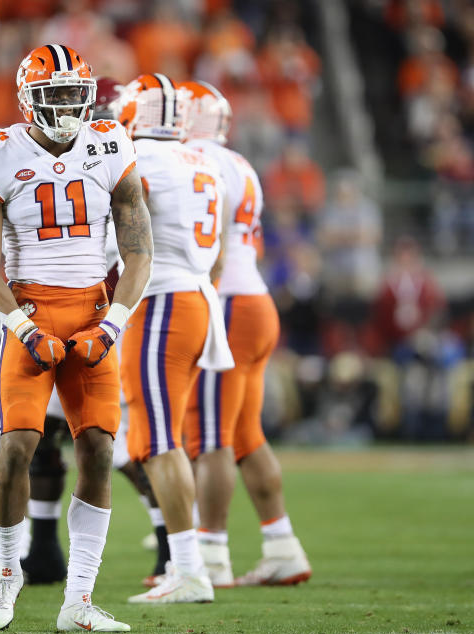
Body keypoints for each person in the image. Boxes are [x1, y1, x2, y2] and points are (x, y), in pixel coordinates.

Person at [0, 45, 152, 632]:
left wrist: (113, 323)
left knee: (98, 447)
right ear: (28, 100)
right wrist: (22, 327)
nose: (69, 105)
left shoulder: (110, 142)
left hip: (94, 308)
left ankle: (79, 599)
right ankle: (5, 578)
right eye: (56, 95)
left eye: (76, 93)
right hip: (29, 308)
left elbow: (139, 251)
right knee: (18, 445)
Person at [21, 76, 170, 588]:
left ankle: (171, 544)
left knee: (116, 443)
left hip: (106, 312)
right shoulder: (45, 157)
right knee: (42, 437)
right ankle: (41, 548)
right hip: (58, 309)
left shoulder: (119, 158)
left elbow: (133, 251)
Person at [180, 80, 312, 586]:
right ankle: (283, 545)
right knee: (243, 435)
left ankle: (210, 557)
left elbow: (202, 244)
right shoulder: (240, 163)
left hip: (227, 302)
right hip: (255, 301)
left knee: (211, 436)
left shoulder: (195, 161)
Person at [116, 74, 234, 605]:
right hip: (195, 297)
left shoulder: (139, 159)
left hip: (161, 302)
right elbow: (223, 251)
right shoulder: (202, 160)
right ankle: (186, 565)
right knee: (161, 439)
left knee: (159, 442)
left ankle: (188, 569)